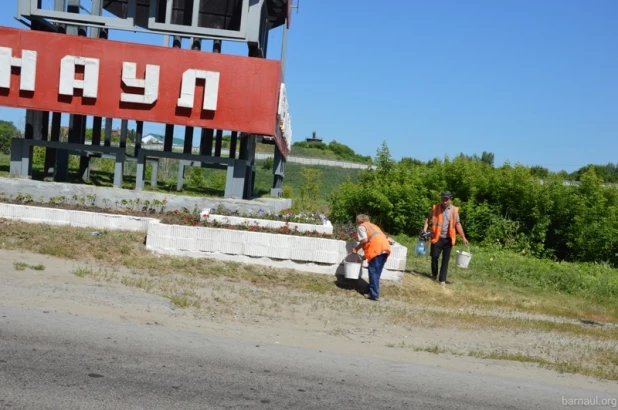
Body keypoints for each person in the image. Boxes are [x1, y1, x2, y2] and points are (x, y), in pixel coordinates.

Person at [423, 191, 469, 285]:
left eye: (446, 199)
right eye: (443, 199)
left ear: (450, 200)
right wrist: (424, 230)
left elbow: (458, 224)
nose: (444, 201)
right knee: (434, 256)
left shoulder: (454, 210)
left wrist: (463, 237)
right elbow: (428, 219)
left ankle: (442, 279)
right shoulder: (435, 208)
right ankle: (434, 274)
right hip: (437, 237)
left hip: (448, 239)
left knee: (445, 260)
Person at [352, 214, 391, 301]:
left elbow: (364, 240)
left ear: (360, 221)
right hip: (385, 249)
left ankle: (374, 295)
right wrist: (365, 255)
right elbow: (373, 239)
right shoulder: (374, 226)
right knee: (376, 273)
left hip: (376, 250)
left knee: (373, 272)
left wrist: (356, 249)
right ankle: (368, 289)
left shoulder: (362, 227)